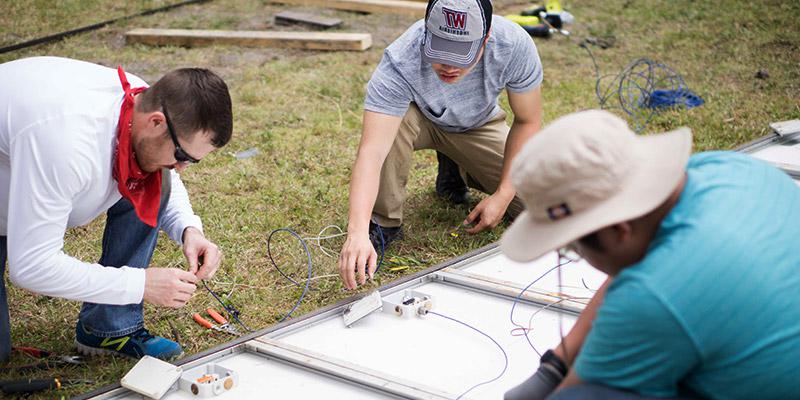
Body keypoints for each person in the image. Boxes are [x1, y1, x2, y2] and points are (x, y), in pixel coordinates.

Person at [500, 110, 800, 399]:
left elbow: (576, 389)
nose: (572, 252)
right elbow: (637, 273)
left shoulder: (654, 296)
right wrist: (555, 367)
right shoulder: (723, 168)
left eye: (572, 247)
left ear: (618, 229)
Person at [0, 56, 233, 361]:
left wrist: (188, 228)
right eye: (180, 154)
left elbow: (165, 179)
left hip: (30, 164)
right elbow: (31, 267)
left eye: (191, 160)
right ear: (156, 122)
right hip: (28, 169)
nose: (180, 167)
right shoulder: (67, 145)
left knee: (154, 170)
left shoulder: (144, 104)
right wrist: (139, 284)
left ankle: (108, 328)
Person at [338, 0, 544, 289]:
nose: (448, 65)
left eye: (460, 54)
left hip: (477, 125)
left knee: (538, 204)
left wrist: (503, 194)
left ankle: (454, 165)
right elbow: (372, 151)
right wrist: (356, 232)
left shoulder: (513, 45)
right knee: (389, 130)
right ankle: (383, 223)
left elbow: (528, 121)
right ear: (426, 33)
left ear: (485, 39)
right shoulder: (401, 58)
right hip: (416, 120)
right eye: (439, 49)